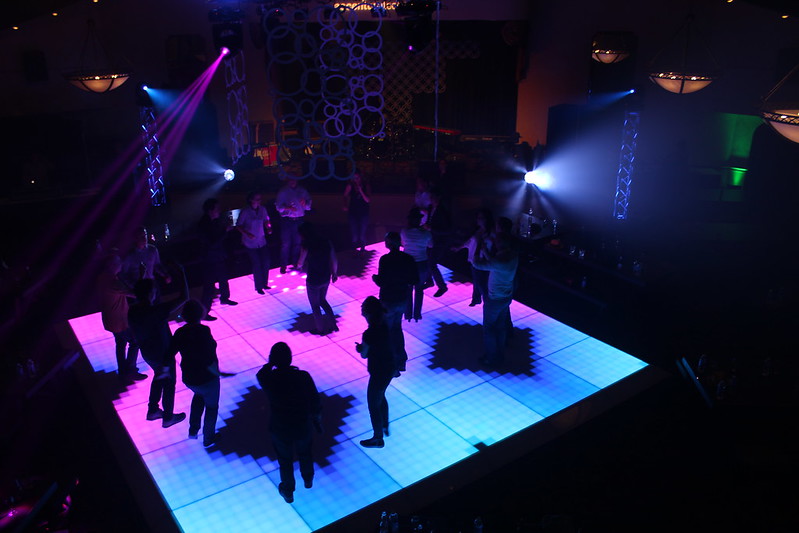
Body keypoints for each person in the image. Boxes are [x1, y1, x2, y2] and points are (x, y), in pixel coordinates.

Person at [256, 342, 322, 504]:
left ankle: (288, 491)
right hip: (302, 424)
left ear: (273, 359)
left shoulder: (270, 379)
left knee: (284, 461)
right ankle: (308, 479)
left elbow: (260, 375)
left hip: (280, 426)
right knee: (305, 453)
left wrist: (271, 363)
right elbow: (315, 400)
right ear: (290, 358)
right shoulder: (303, 376)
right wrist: (316, 419)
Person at [128, 263, 189, 427]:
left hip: (148, 354)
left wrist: (142, 278)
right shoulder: (156, 311)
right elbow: (184, 298)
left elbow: (141, 293)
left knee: (159, 376)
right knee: (169, 383)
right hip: (164, 354)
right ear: (151, 294)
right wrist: (182, 273)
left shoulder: (132, 311)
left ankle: (153, 410)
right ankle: (168, 417)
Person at [168, 299, 232, 447]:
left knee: (198, 395)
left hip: (189, 377)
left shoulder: (180, 332)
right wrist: (218, 372)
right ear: (201, 314)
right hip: (207, 378)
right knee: (211, 407)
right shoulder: (204, 331)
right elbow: (209, 356)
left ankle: (193, 430)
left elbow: (170, 352)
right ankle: (208, 438)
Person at [96, 252, 147, 383]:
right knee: (135, 341)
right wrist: (142, 275)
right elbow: (136, 294)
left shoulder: (103, 277)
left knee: (120, 344)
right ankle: (130, 371)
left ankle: (123, 372)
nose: (121, 264)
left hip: (111, 319)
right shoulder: (113, 282)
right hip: (120, 321)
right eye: (118, 262)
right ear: (112, 265)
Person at [371, 232, 418, 375]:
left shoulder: (385, 260)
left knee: (387, 331)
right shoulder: (408, 258)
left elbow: (382, 282)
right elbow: (415, 280)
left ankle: (392, 364)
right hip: (402, 298)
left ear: (388, 243)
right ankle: (401, 361)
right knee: (397, 329)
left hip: (388, 299)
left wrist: (375, 278)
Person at [472, 233, 519, 368]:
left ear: (500, 244)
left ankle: (492, 358)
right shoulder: (512, 256)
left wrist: (477, 249)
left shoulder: (499, 262)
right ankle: (500, 354)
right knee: (500, 327)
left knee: (489, 329)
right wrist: (485, 250)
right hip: (506, 297)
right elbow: (493, 261)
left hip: (494, 299)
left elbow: (477, 264)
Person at [356, 296, 395, 449]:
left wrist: (360, 348)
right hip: (389, 368)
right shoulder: (385, 325)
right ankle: (384, 425)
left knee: (373, 404)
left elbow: (364, 354)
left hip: (379, 372)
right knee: (381, 396)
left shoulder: (369, 333)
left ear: (368, 314)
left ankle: (378, 438)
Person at [198, 198, 238, 321]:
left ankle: (224, 298)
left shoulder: (214, 221)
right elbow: (212, 243)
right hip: (210, 258)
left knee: (223, 278)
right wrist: (225, 232)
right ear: (210, 210)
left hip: (218, 255)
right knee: (209, 286)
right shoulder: (204, 224)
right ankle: (204, 312)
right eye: (217, 208)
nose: (219, 211)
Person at [297, 222, 338, 335]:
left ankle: (320, 329)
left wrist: (299, 266)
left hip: (313, 279)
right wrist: (334, 273)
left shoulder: (306, 245)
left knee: (315, 306)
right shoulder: (326, 242)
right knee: (323, 300)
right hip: (326, 276)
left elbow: (300, 262)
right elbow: (334, 259)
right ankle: (333, 324)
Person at [452, 208, 495, 307]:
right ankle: (476, 299)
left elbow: (492, 246)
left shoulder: (491, 233)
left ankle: (486, 301)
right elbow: (470, 242)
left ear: (486, 219)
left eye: (480, 218)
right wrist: (459, 248)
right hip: (474, 259)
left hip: (482, 261)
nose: (478, 220)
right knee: (476, 280)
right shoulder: (479, 231)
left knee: (481, 283)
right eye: (478, 217)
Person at [236, 191, 273, 295]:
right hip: (250, 243)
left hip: (261, 240)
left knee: (266, 261)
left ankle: (264, 283)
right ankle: (259, 286)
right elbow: (239, 225)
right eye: (257, 199)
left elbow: (266, 220)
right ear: (251, 200)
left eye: (260, 199)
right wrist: (247, 234)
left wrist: (268, 227)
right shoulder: (245, 211)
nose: (259, 201)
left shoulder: (263, 209)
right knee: (256, 264)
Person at [400, 207, 432, 321]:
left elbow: (403, 244)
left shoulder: (404, 232)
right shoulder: (426, 234)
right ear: (419, 220)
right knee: (419, 289)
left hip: (407, 264)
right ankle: (417, 315)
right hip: (422, 264)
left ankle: (407, 315)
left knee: (408, 289)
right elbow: (431, 245)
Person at [120, 226, 171, 297]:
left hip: (152, 287)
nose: (144, 238)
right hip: (138, 291)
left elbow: (157, 265)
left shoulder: (152, 250)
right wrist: (134, 286)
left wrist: (165, 274)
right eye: (141, 236)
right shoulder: (129, 256)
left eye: (145, 235)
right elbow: (124, 275)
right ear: (135, 238)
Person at [275, 177, 312, 274]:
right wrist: (288, 208)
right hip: (287, 220)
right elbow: (278, 207)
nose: (292, 181)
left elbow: (309, 206)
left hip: (299, 220)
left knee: (297, 243)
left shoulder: (302, 191)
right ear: (287, 180)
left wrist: (305, 203)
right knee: (285, 244)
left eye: (294, 179)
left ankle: (294, 263)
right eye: (290, 179)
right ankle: (283, 265)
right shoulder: (283, 191)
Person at [425, 187, 452, 297]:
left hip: (439, 241)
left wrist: (431, 229)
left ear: (438, 197)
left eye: (433, 197)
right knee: (428, 261)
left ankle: (442, 286)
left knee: (431, 263)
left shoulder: (443, 211)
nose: (431, 199)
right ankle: (430, 281)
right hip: (430, 239)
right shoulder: (431, 207)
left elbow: (447, 230)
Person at [342, 171, 371, 252]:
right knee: (354, 233)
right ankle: (354, 249)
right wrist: (345, 205)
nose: (356, 180)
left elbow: (368, 200)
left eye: (357, 178)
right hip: (353, 212)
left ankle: (362, 250)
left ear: (361, 178)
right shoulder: (350, 186)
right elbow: (344, 195)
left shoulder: (366, 186)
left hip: (364, 212)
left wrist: (361, 191)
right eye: (354, 178)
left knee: (362, 233)